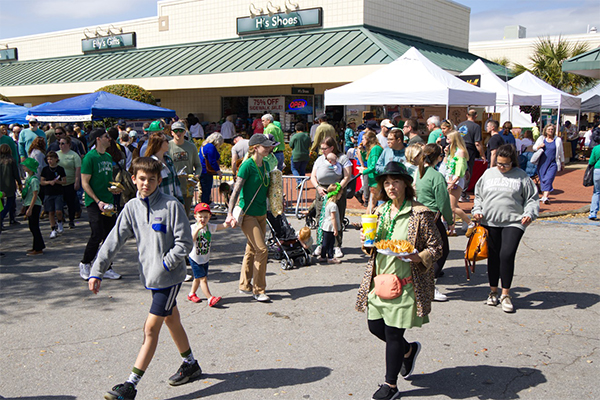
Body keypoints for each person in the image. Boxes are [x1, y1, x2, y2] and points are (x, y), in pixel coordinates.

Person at [88, 157, 200, 400]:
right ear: (133, 179)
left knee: (151, 328)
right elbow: (114, 240)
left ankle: (130, 385)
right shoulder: (131, 208)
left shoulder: (172, 205)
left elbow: (185, 242)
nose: (146, 183)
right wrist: (97, 269)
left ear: (159, 180)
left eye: (151, 179)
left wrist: (166, 264)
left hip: (169, 278)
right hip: (150, 278)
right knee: (172, 320)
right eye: (141, 179)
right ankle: (190, 364)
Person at [356, 161, 442, 400]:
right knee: (376, 328)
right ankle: (408, 350)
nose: (391, 186)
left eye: (395, 182)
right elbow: (371, 249)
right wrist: (366, 240)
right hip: (379, 282)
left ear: (406, 184)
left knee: (393, 334)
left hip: (406, 284)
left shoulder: (419, 213)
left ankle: (390, 385)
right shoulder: (380, 212)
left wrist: (417, 256)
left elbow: (437, 248)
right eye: (386, 183)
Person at [472, 144, 539, 313]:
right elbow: (478, 195)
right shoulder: (488, 174)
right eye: (499, 164)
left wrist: (530, 213)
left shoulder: (522, 176)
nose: (501, 167)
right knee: (493, 256)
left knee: (506, 254)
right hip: (489, 220)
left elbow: (531, 198)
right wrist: (477, 210)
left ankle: (506, 294)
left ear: (513, 162)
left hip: (514, 221)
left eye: (505, 164)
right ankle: (493, 291)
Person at [225, 134, 278, 302]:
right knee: (262, 250)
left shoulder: (266, 164)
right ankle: (259, 289)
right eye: (265, 146)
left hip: (261, 212)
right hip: (247, 214)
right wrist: (229, 213)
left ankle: (244, 285)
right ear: (255, 147)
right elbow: (236, 190)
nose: (269, 148)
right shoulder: (247, 165)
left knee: (252, 249)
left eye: (269, 146)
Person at [79, 129, 122, 281]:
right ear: (98, 139)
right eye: (106, 137)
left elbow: (107, 179)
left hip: (108, 201)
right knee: (96, 233)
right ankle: (85, 263)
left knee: (110, 237)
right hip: (94, 202)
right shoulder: (89, 158)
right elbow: (85, 183)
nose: (109, 139)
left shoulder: (108, 156)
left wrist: (114, 189)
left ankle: (107, 267)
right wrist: (97, 201)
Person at [414, 143, 454, 302]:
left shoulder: (419, 172)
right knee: (440, 250)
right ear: (438, 158)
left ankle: (422, 282)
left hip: (418, 214)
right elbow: (443, 202)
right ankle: (429, 284)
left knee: (425, 250)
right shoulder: (436, 176)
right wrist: (450, 220)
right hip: (432, 217)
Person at [311, 136, 352, 258]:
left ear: (332, 148)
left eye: (325, 148)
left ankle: (336, 245)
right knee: (321, 216)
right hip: (322, 190)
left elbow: (347, 176)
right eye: (321, 148)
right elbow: (313, 176)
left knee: (337, 217)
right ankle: (320, 244)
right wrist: (318, 187)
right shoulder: (319, 160)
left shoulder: (342, 158)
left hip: (336, 190)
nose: (322, 151)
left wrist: (338, 188)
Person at [187, 202, 228, 306]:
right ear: (195, 216)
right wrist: (197, 229)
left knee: (197, 277)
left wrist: (229, 222)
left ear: (209, 217)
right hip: (195, 258)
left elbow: (222, 226)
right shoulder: (192, 227)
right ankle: (210, 298)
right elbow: (191, 239)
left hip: (204, 257)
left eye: (205, 217)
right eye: (200, 217)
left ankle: (191, 294)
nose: (203, 219)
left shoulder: (209, 227)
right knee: (203, 278)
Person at [168, 121, 201, 216]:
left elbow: (198, 165)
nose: (178, 133)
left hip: (187, 186)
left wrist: (196, 176)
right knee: (173, 214)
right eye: (176, 131)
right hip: (173, 185)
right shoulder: (167, 146)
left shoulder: (191, 147)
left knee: (186, 214)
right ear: (172, 132)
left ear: (184, 132)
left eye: (181, 131)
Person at [443, 131, 471, 237]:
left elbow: (460, 170)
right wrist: (446, 154)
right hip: (449, 179)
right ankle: (452, 228)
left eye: (449, 139)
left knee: (452, 207)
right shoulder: (452, 151)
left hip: (456, 181)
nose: (447, 141)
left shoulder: (461, 152)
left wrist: (454, 181)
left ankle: (470, 223)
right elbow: (446, 165)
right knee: (451, 204)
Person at [145, 132, 184, 204]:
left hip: (173, 202)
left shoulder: (168, 160)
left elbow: (176, 182)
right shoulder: (151, 163)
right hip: (159, 203)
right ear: (159, 144)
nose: (168, 143)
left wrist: (181, 201)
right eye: (166, 141)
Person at [457, 109, 486, 202]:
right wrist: (482, 154)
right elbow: (477, 143)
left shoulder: (460, 125)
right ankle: (463, 194)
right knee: (468, 171)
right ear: (476, 116)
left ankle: (458, 192)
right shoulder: (476, 126)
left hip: (459, 148)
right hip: (469, 149)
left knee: (459, 169)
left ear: (467, 115)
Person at [533, 124, 564, 204]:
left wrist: (562, 162)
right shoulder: (541, 139)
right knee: (543, 179)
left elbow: (561, 152)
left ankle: (546, 197)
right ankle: (544, 196)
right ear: (545, 130)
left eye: (552, 129)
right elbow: (534, 147)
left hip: (553, 163)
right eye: (549, 129)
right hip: (542, 162)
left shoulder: (557, 140)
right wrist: (540, 146)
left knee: (548, 179)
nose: (550, 131)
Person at [21, 157, 45, 256]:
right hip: (29, 204)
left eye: (25, 166)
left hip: (34, 205)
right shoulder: (28, 179)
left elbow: (35, 195)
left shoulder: (34, 180)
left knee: (34, 226)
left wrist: (30, 208)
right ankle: (36, 246)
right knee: (32, 226)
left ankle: (39, 248)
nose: (23, 167)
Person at [40, 151, 67, 239]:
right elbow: (42, 181)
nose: (49, 161)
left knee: (58, 210)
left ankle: (59, 222)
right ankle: (53, 229)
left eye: (51, 159)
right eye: (48, 159)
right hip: (48, 192)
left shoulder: (60, 169)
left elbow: (64, 181)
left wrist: (58, 182)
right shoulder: (45, 170)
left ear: (56, 159)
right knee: (50, 212)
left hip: (58, 192)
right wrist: (49, 182)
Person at [57, 135, 81, 229]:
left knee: (70, 203)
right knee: (59, 203)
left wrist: (77, 181)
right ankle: (60, 219)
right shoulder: (56, 154)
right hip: (59, 183)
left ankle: (71, 220)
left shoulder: (74, 155)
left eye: (63, 143)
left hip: (70, 183)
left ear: (68, 144)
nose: (61, 145)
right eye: (59, 143)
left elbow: (78, 169)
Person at [359, 130, 384, 214]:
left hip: (376, 181)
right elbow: (367, 160)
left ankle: (366, 222)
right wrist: (362, 152)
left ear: (368, 139)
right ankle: (367, 222)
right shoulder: (372, 149)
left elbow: (374, 166)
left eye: (363, 139)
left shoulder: (375, 149)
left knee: (372, 203)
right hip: (373, 180)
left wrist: (364, 171)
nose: (362, 141)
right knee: (372, 203)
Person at [317, 183, 342, 264]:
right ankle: (330, 257)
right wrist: (335, 229)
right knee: (330, 242)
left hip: (326, 225)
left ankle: (323, 256)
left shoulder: (327, 202)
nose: (340, 195)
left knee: (325, 241)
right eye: (340, 194)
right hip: (330, 226)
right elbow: (333, 218)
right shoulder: (333, 205)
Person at [198, 132, 224, 205]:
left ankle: (204, 209)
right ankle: (205, 209)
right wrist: (218, 171)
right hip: (207, 172)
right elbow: (212, 161)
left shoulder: (204, 145)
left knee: (204, 192)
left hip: (202, 171)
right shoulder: (210, 147)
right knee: (206, 193)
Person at [0, 144, 21, 229]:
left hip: (0, 185)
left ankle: (2, 221)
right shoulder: (11, 160)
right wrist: (19, 183)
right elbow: (16, 173)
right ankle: (9, 218)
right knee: (10, 201)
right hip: (10, 184)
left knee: (1, 203)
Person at [587, 142, 600, 221]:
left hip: (597, 170)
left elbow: (591, 161)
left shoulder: (596, 148)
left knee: (596, 192)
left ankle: (593, 213)